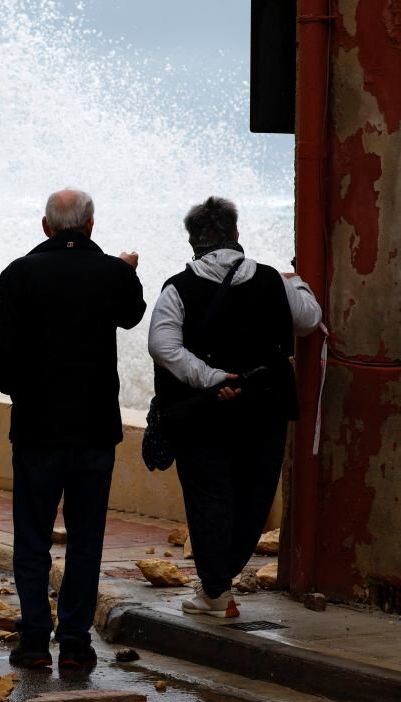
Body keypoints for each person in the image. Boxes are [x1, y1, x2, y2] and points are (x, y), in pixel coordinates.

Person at [0, 189, 146, 669]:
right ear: (91, 225)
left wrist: (23, 393)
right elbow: (132, 316)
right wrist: (128, 272)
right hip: (95, 430)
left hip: (37, 430)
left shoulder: (20, 273)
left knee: (32, 536)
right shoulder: (113, 274)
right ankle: (75, 642)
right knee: (86, 537)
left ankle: (34, 638)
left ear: (45, 226)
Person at [149, 196, 321, 617]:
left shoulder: (178, 287)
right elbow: (310, 319)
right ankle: (220, 581)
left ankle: (215, 589)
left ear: (193, 241)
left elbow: (162, 345)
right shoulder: (272, 281)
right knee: (253, 493)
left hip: (207, 410)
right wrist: (297, 280)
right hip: (266, 406)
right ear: (237, 235)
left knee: (209, 495)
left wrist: (210, 378)